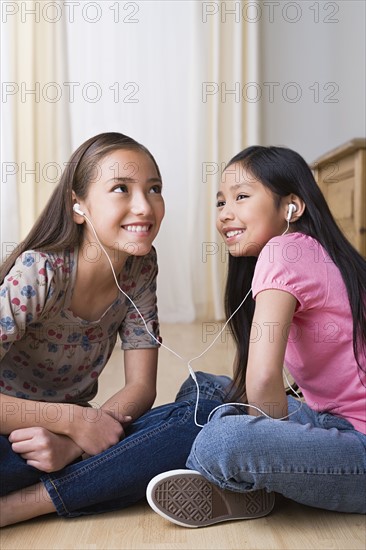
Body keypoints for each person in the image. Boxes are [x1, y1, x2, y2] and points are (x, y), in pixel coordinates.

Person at [0, 132, 231, 526]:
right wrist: (72, 423)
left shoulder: (139, 267)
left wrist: (74, 444)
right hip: (14, 437)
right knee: (190, 436)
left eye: (154, 189)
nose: (144, 206)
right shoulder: (38, 272)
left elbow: (141, 387)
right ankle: (85, 482)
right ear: (78, 206)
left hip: (64, 442)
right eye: (120, 189)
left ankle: (26, 503)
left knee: (205, 412)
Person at [146, 145, 366, 528]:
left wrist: (262, 437)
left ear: (291, 207)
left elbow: (264, 378)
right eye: (220, 202)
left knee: (223, 439)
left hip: (359, 447)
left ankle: (232, 481)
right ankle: (238, 483)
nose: (225, 214)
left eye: (242, 197)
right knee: (207, 389)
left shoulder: (284, 251)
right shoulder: (311, 250)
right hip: (334, 419)